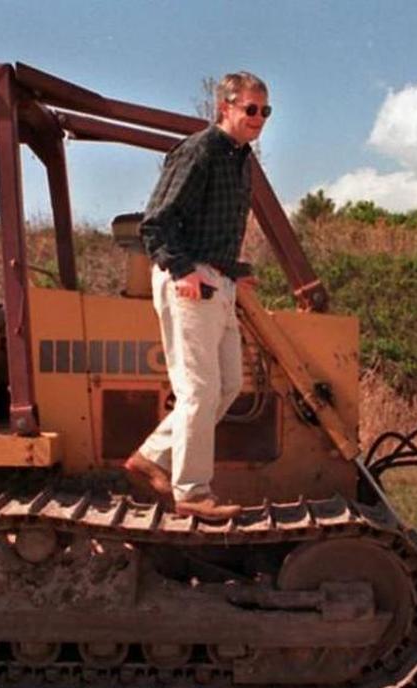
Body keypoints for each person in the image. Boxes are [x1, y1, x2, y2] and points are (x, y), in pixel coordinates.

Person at [124, 72, 272, 520]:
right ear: (224, 108)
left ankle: (152, 456)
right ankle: (191, 490)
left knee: (227, 385)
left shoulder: (240, 159)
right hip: (190, 279)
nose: (259, 119)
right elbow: (156, 222)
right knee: (198, 389)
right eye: (251, 109)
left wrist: (233, 271)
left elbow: (211, 227)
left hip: (218, 280)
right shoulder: (200, 150)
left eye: (265, 111)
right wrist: (182, 269)